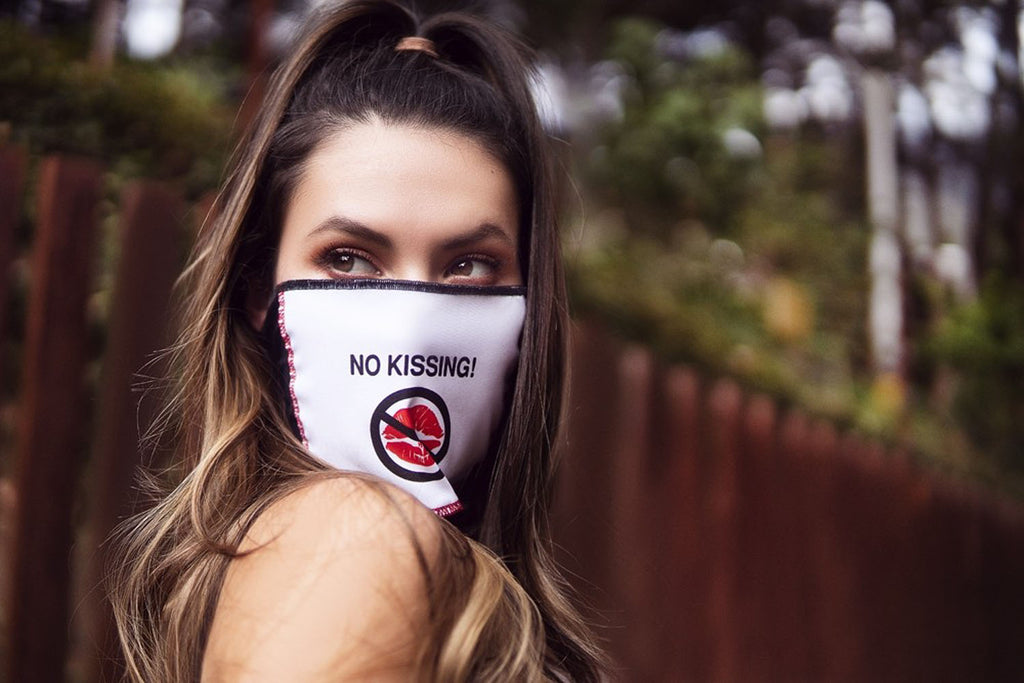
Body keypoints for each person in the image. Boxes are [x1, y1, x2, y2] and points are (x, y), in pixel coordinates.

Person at [108, 0, 606, 680]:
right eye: (348, 258)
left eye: (469, 265)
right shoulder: (350, 538)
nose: (413, 326)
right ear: (258, 289)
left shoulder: (276, 553)